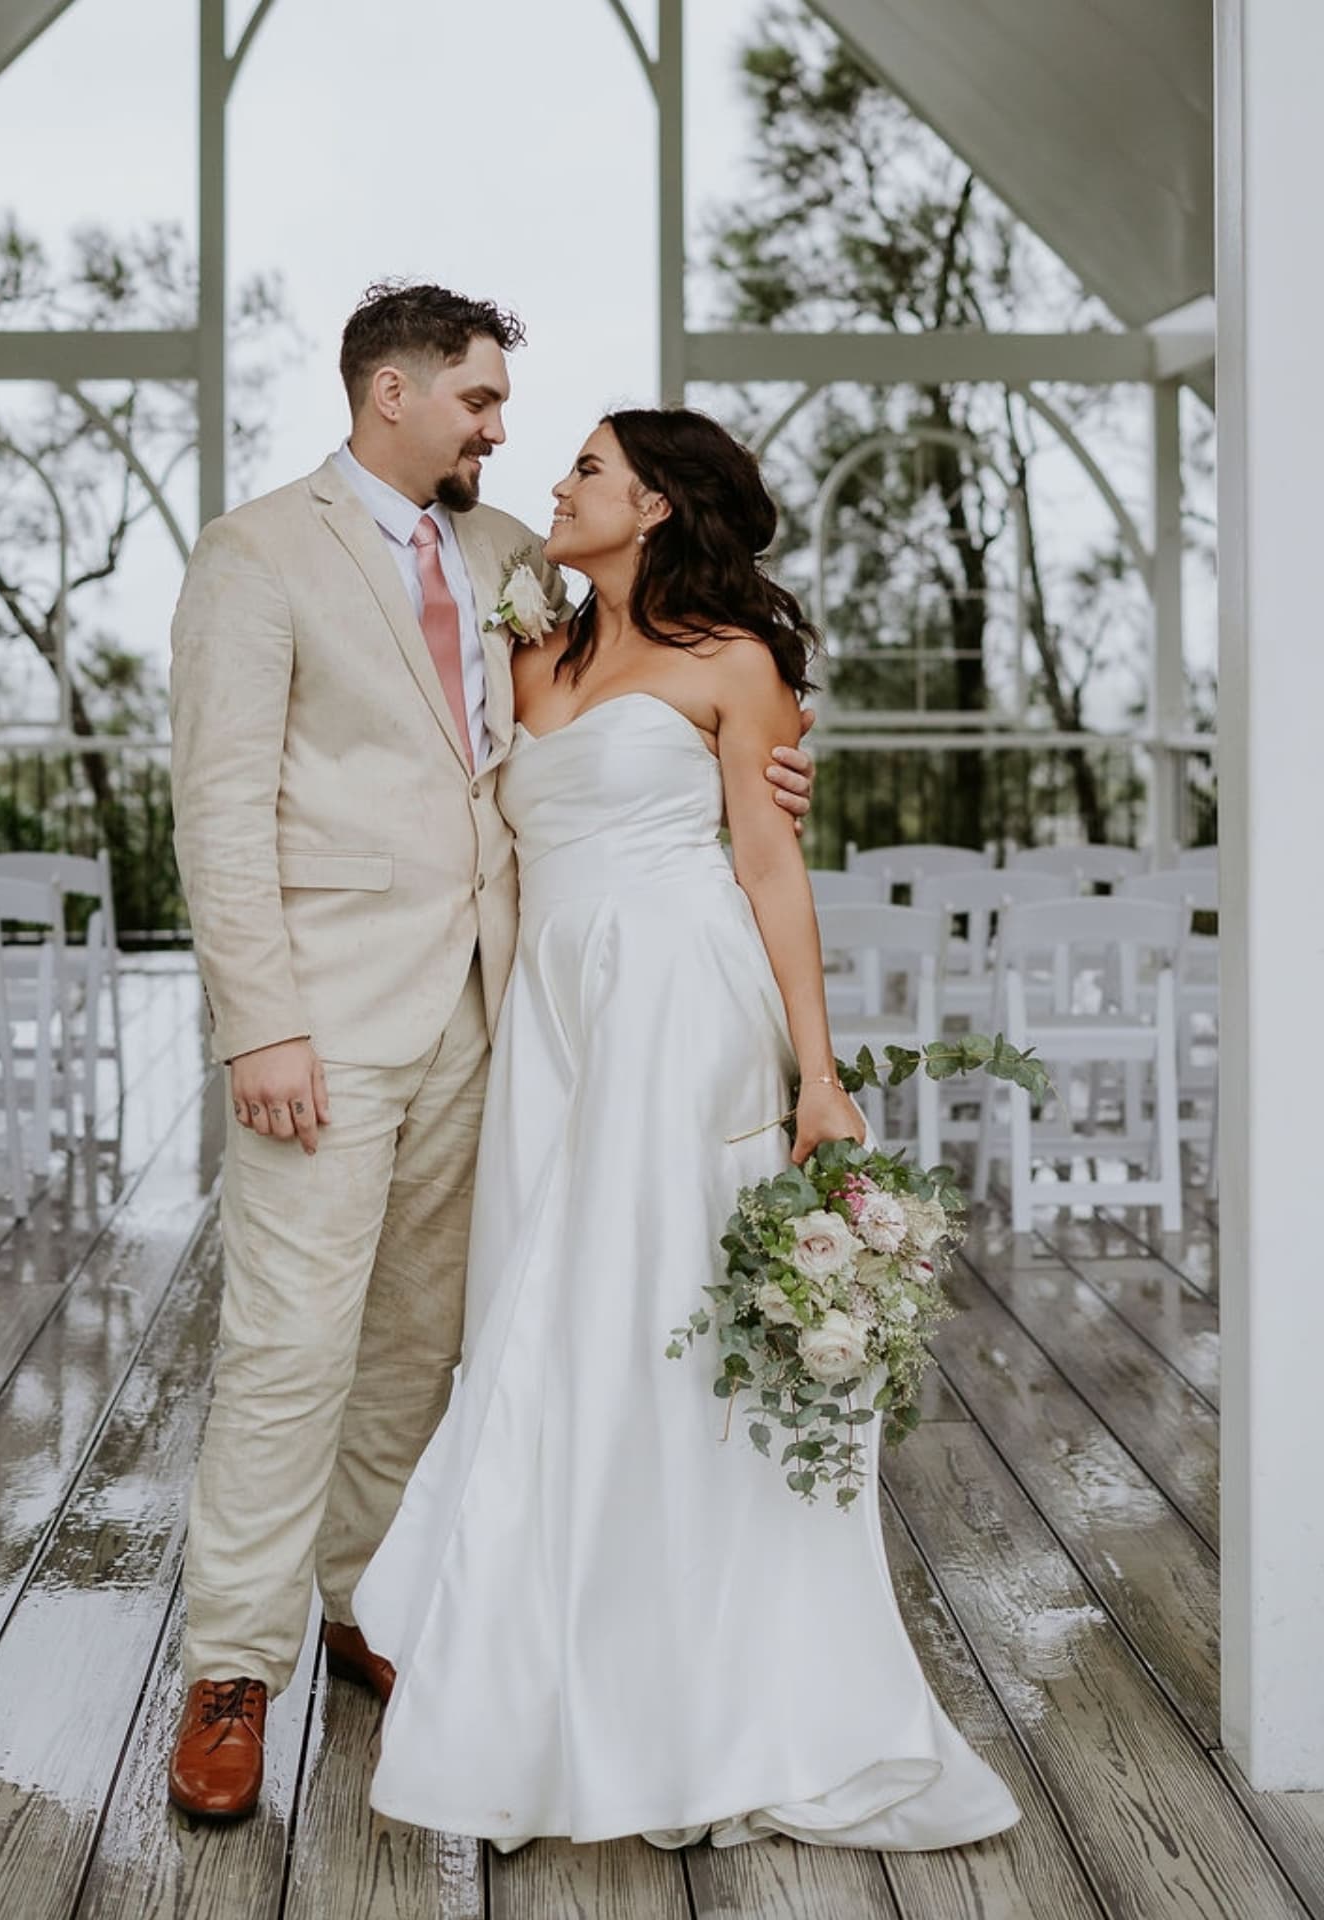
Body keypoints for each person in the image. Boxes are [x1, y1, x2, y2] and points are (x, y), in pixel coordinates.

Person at [165, 286, 817, 1818]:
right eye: (479, 402)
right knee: (289, 1345)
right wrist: (263, 1020)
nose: (502, 433)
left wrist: (784, 759)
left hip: (499, 1011)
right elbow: (219, 805)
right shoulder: (255, 556)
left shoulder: (513, 555)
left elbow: (668, 667)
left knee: (420, 1342)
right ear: (391, 394)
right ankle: (231, 1667)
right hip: (327, 1019)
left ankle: (366, 1602)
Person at [353, 408, 1022, 1851]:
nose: (557, 484)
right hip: (550, 1020)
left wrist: (818, 1077)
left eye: (588, 468)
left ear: (655, 504)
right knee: (542, 1323)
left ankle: (705, 1706)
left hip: (680, 1004)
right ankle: (552, 1699)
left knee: (650, 1320)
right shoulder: (531, 647)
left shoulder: (737, 663)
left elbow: (770, 867)